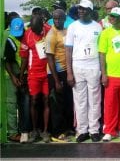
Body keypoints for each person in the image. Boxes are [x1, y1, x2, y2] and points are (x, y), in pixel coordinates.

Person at [65, 0, 102, 143]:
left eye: (84, 9)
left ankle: (94, 130)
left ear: (90, 11)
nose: (81, 11)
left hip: (93, 65)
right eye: (79, 8)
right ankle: (82, 130)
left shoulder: (97, 27)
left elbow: (101, 51)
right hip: (78, 65)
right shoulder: (73, 27)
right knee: (80, 100)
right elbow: (68, 50)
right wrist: (69, 72)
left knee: (94, 100)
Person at [99, 7, 120, 142]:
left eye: (114, 16)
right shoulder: (106, 33)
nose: (111, 18)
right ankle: (109, 130)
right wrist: (104, 74)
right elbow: (102, 54)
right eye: (110, 16)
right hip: (111, 75)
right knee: (110, 105)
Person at [20, 15, 51, 143]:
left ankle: (45, 131)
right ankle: (34, 130)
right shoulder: (27, 34)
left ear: (42, 25)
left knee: (46, 100)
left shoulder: (48, 30)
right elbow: (24, 56)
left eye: (37, 29)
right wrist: (22, 74)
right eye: (33, 29)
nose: (35, 31)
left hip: (47, 72)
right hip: (33, 73)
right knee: (34, 100)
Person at [46, 9, 74, 142]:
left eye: (59, 18)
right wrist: (56, 81)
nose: (57, 21)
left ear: (64, 18)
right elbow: (50, 58)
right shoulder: (51, 34)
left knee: (67, 102)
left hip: (65, 71)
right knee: (57, 104)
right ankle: (56, 133)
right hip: (55, 74)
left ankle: (67, 128)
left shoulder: (66, 31)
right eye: (55, 18)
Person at [3, 17, 31, 143]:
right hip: (11, 75)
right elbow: (7, 61)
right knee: (12, 104)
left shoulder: (27, 36)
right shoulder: (10, 40)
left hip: (24, 75)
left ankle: (24, 130)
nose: (18, 36)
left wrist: (23, 76)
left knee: (25, 103)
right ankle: (13, 132)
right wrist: (14, 77)